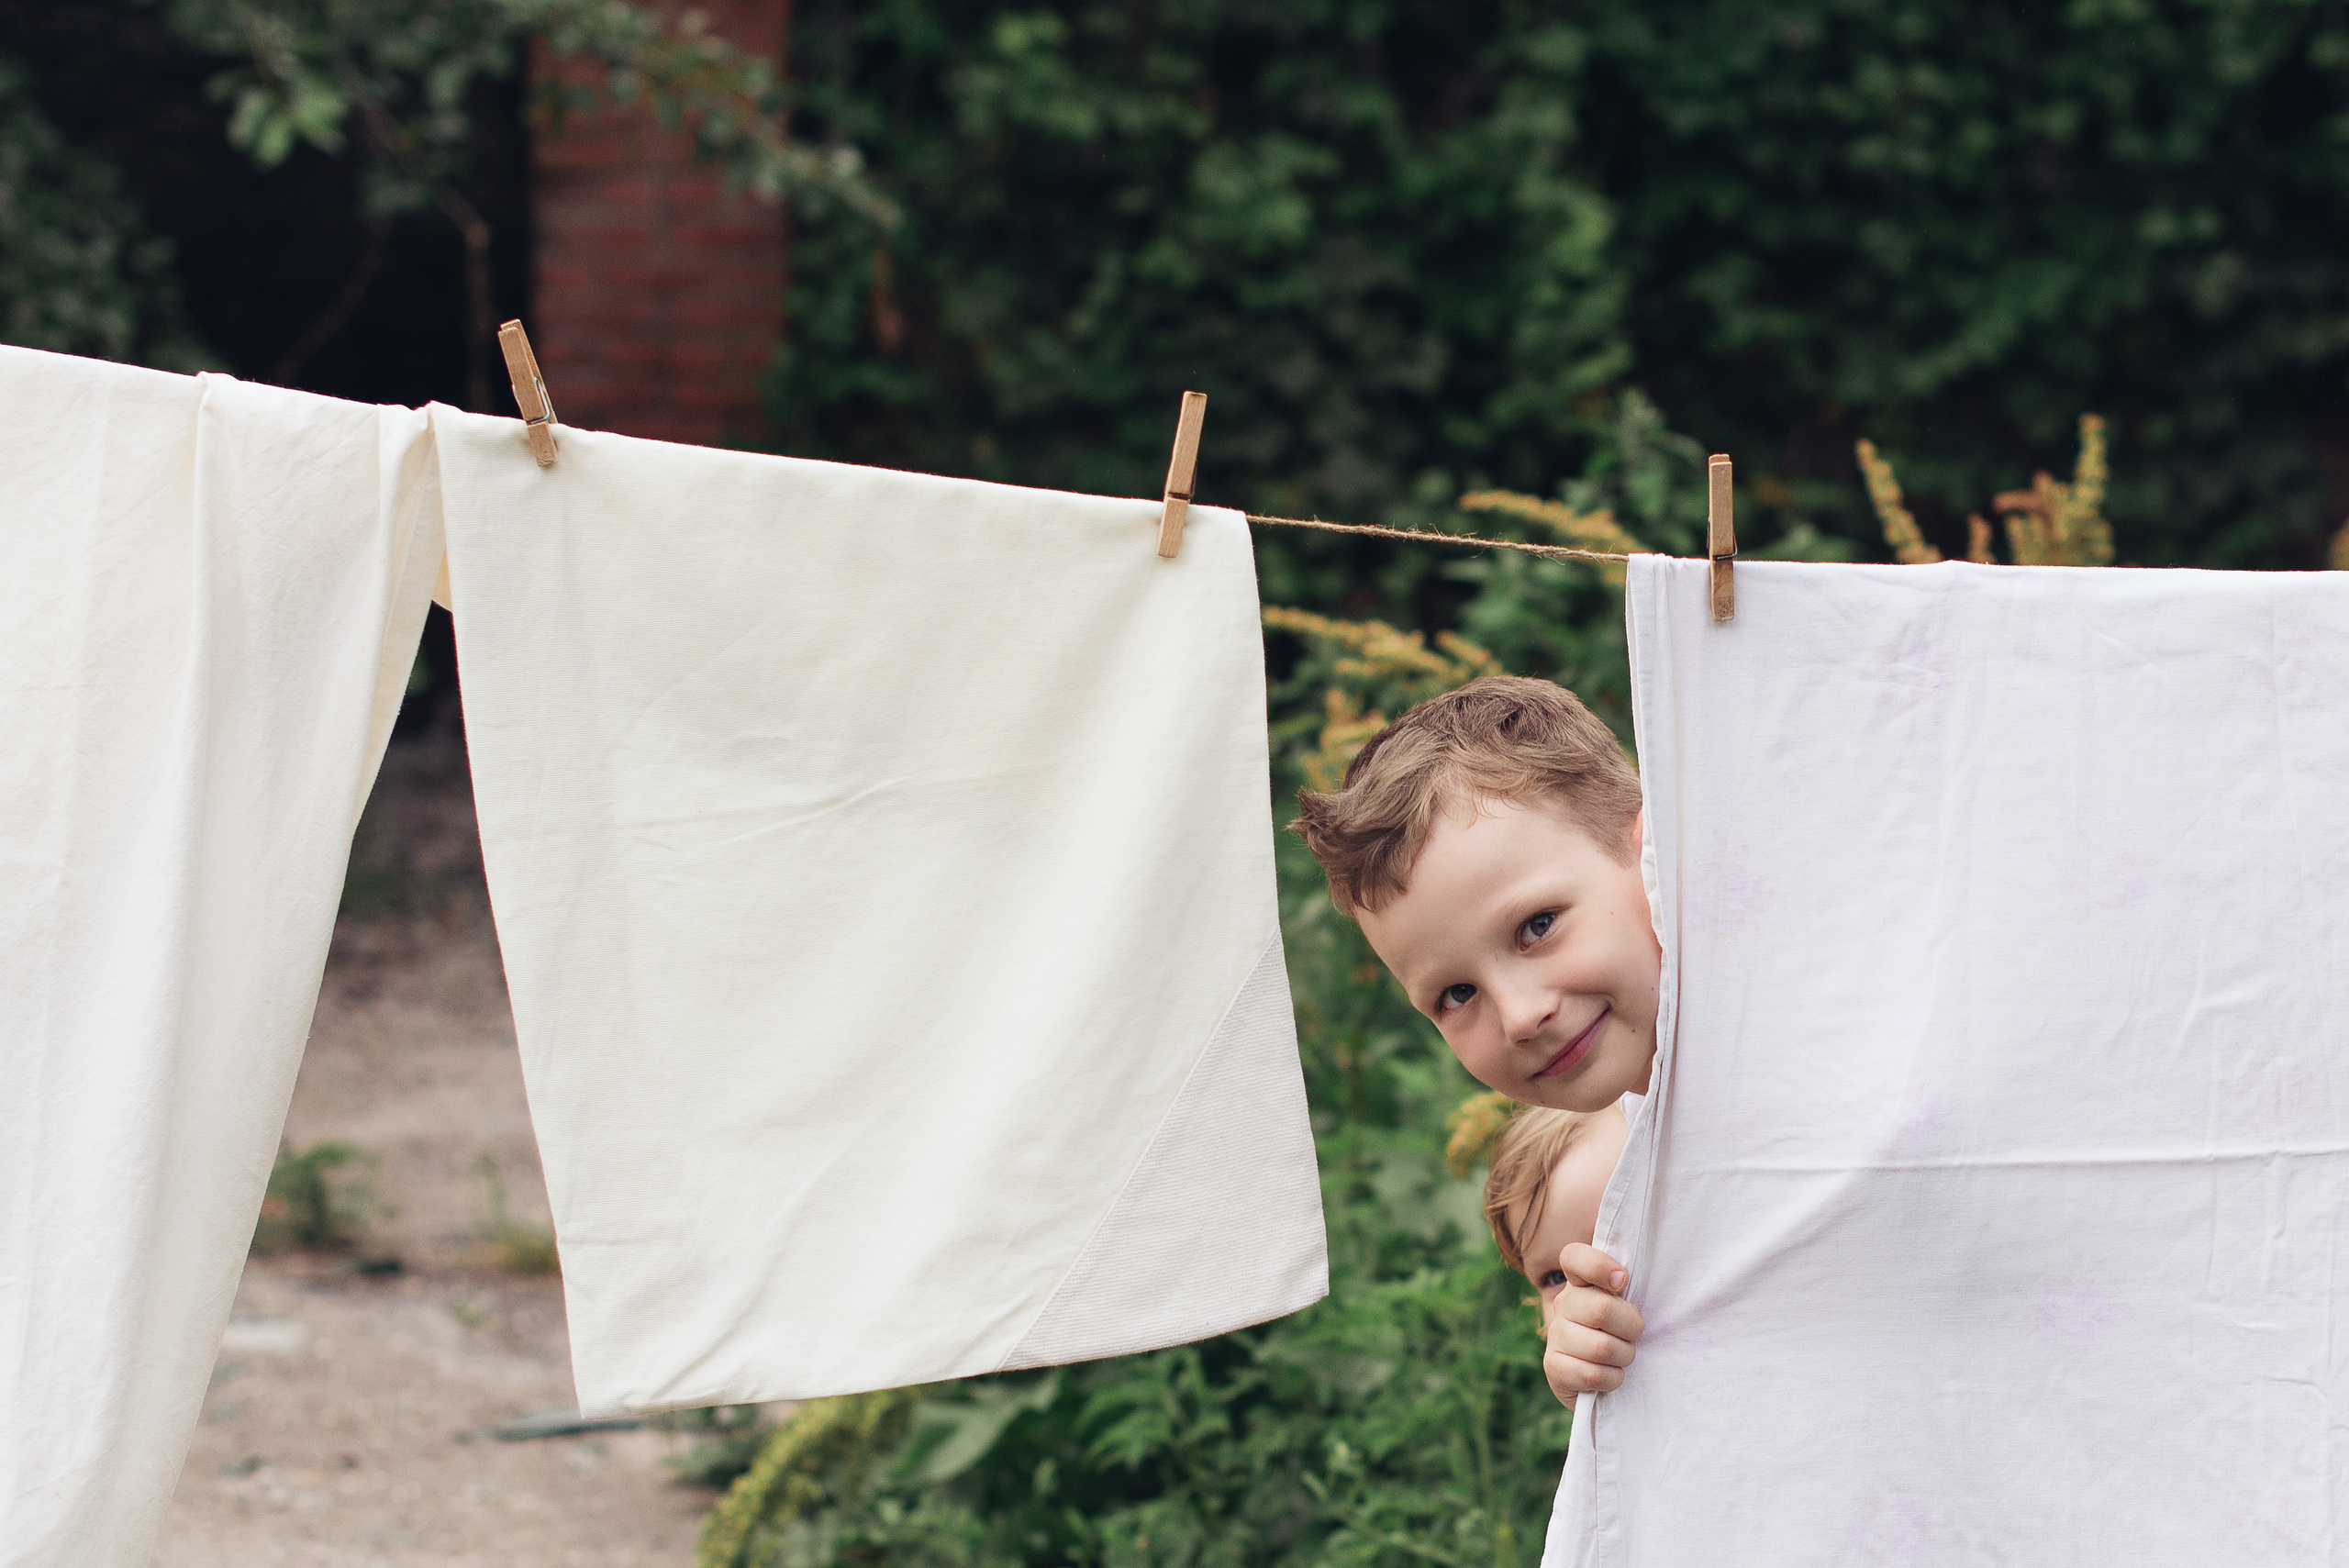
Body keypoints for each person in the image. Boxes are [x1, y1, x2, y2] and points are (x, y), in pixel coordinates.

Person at [1293, 674, 1653, 1396]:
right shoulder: (1606, 1149)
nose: (1520, 1016)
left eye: (1537, 925)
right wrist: (1581, 1342)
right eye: (1456, 995)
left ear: (1650, 854)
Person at [1480, 1102, 1632, 1407]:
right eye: (1557, 1277)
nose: (1585, 1284)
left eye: (1608, 1247)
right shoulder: (1593, 1379)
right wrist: (1579, 1397)